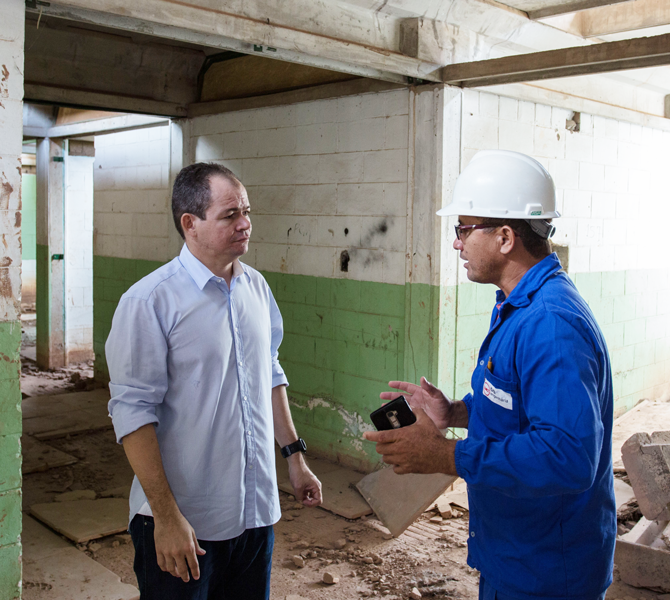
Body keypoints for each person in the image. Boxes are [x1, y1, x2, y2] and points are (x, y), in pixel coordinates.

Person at [363, 150, 616, 600]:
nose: (457, 242)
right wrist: (456, 411)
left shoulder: (551, 324)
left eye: (463, 229)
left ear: (504, 236)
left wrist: (448, 456)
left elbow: (567, 456)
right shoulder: (519, 304)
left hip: (547, 572)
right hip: (515, 552)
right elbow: (520, 405)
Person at [107, 162, 322, 600]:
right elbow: (132, 414)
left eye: (246, 211)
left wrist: (295, 458)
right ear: (190, 224)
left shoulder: (256, 288)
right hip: (184, 524)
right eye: (229, 215)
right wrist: (165, 517)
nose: (245, 224)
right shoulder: (150, 301)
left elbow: (271, 373)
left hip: (255, 513)